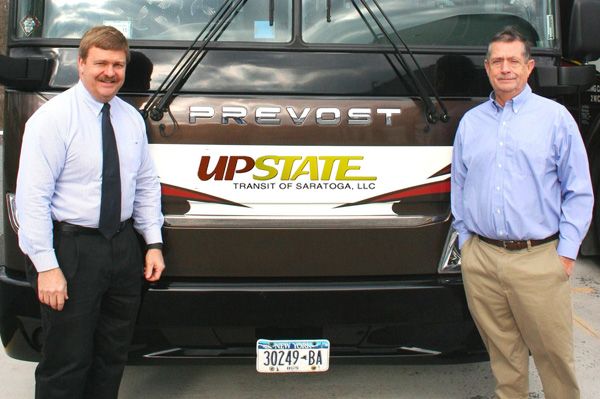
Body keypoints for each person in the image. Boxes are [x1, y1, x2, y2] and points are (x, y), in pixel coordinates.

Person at [15, 26, 165, 399]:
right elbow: (31, 199)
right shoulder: (51, 120)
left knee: (111, 358)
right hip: (72, 251)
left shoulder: (130, 118)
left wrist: (153, 242)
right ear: (81, 65)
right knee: (66, 362)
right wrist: (47, 267)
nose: (110, 72)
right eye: (101, 63)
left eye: (117, 64)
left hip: (123, 250)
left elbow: (145, 184)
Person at [451, 27, 593, 399]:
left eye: (513, 60)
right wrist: (467, 243)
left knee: (554, 359)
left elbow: (579, 191)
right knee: (503, 357)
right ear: (487, 68)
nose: (505, 68)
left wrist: (565, 253)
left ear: (529, 67)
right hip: (482, 260)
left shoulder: (556, 119)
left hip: (539, 260)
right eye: (497, 61)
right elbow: (460, 186)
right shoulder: (471, 123)